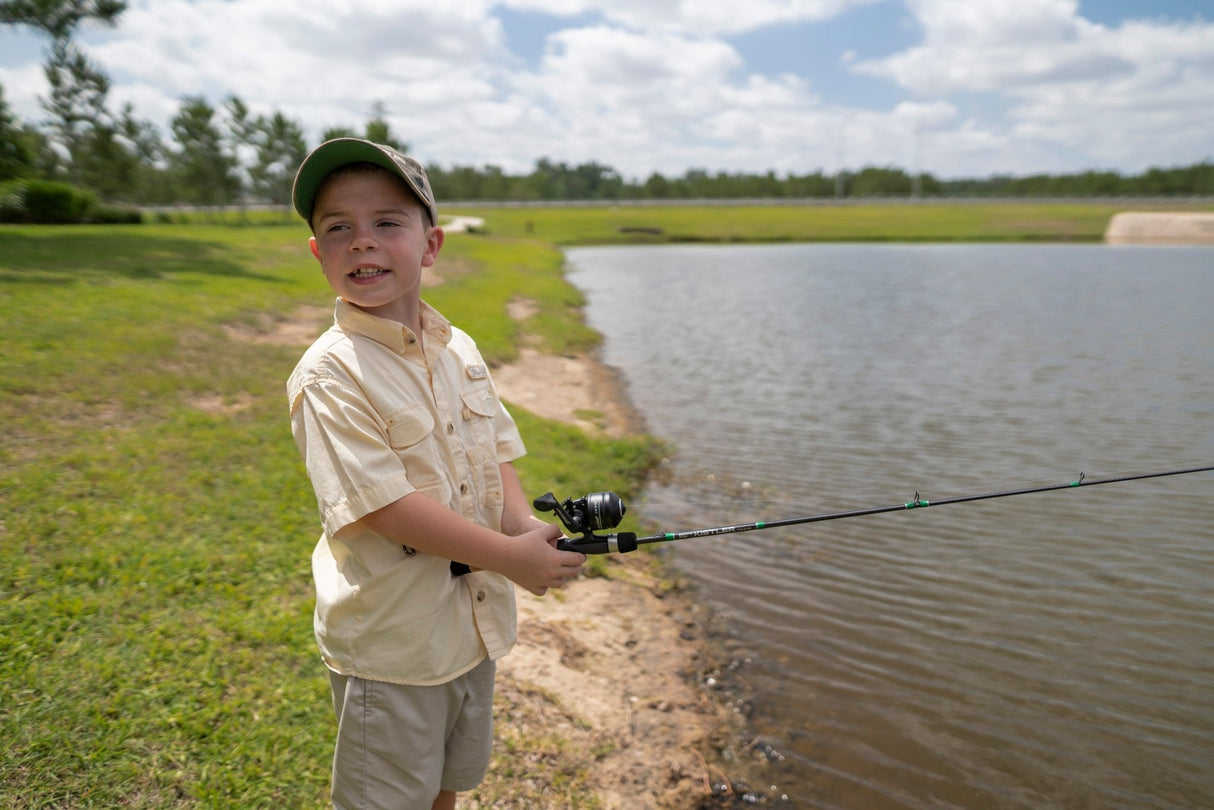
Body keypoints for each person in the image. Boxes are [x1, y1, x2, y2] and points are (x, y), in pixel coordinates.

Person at [286, 138, 587, 810]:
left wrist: (522, 527)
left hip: (472, 629)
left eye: (387, 223)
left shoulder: (461, 349)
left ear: (430, 245)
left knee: (449, 783)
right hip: (395, 645)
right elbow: (382, 507)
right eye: (339, 229)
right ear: (319, 254)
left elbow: (496, 449)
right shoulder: (329, 375)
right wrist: (509, 558)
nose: (362, 243)